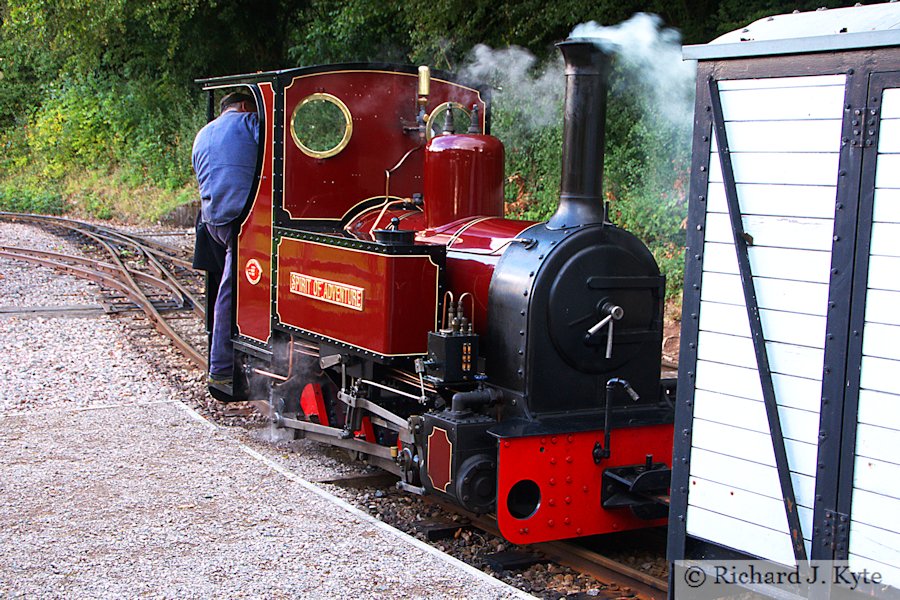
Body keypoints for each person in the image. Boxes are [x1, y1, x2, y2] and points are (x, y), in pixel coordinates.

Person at [192, 91, 259, 386]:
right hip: (240, 220)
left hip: (211, 222)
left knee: (225, 287)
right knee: (229, 293)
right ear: (245, 107)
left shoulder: (202, 134)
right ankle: (220, 368)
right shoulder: (249, 123)